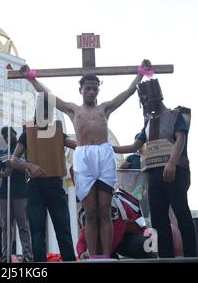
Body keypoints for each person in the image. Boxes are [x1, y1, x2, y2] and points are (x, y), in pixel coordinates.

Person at [19, 61, 145, 258]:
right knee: (91, 211)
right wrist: (31, 78)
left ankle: (106, 254)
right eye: (88, 88)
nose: (92, 92)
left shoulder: (105, 108)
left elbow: (127, 94)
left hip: (103, 156)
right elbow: (49, 97)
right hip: (84, 157)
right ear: (81, 90)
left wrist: (140, 75)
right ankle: (94, 255)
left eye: (95, 88)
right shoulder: (73, 110)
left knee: (105, 210)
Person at [113, 78, 197, 258]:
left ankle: (191, 255)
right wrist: (106, 146)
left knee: (182, 213)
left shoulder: (176, 116)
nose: (144, 104)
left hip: (174, 172)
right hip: (154, 175)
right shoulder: (148, 122)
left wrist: (172, 162)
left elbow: (180, 138)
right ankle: (166, 257)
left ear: (155, 97)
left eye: (145, 100)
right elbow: (134, 146)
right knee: (159, 218)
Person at [10, 98, 77, 262]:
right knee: (37, 230)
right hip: (35, 187)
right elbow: (13, 160)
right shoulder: (27, 134)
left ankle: (69, 260)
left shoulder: (57, 132)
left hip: (55, 185)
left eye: (48, 114)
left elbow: (75, 144)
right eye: (42, 113)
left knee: (63, 229)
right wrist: (30, 166)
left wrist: (89, 140)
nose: (45, 117)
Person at [77, 188, 155, 260]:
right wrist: (81, 253)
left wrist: (105, 254)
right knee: (102, 247)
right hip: (116, 239)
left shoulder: (117, 206)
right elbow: (82, 238)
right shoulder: (92, 213)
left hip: (134, 235)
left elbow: (118, 233)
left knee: (142, 245)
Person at [0, 126, 33, 263]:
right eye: (4, 136)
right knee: (6, 226)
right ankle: (6, 255)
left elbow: (28, 168)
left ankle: (27, 254)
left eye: (9, 134)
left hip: (20, 191)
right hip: (4, 192)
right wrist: (3, 174)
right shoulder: (1, 152)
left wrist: (16, 164)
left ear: (15, 134)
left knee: (23, 224)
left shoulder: (23, 150)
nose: (6, 138)